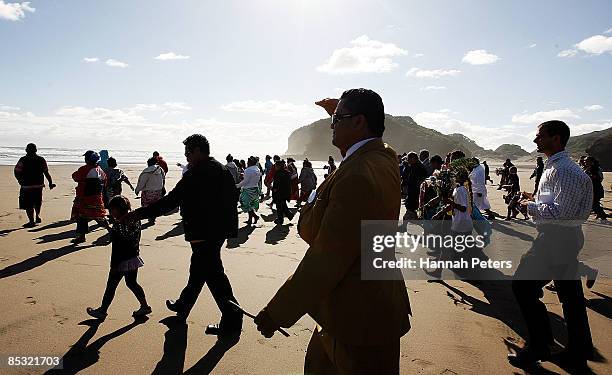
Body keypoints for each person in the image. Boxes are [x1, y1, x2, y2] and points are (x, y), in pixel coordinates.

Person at [254, 89, 411, 374]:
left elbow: (327, 259)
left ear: (359, 122)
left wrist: (278, 312)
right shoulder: (384, 156)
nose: (331, 125)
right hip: (355, 307)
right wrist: (340, 114)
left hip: (357, 317)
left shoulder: (358, 175)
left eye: (338, 119)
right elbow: (365, 146)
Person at [126, 134, 242, 337]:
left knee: (215, 278)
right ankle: (183, 307)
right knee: (199, 272)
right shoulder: (221, 170)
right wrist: (228, 232)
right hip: (215, 233)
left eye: (188, 151)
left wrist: (139, 214)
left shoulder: (197, 174)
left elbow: (171, 201)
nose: (186, 155)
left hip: (202, 234)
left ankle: (233, 320)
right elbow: (231, 201)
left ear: (198, 150)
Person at [510, 120, 594, 370]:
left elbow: (562, 213)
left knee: (523, 287)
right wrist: (535, 199)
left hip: (556, 237)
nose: (536, 140)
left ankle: (539, 344)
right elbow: (555, 203)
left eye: (540, 136)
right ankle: (578, 351)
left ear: (556, 139)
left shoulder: (564, 170)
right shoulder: (555, 167)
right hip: (564, 237)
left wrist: (529, 206)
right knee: (570, 296)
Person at [86, 195, 151, 320]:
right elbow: (128, 237)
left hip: (121, 259)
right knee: (132, 283)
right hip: (133, 257)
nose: (111, 212)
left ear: (117, 209)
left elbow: (118, 240)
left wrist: (107, 228)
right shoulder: (134, 219)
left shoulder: (120, 223)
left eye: (112, 210)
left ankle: (102, 310)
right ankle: (144, 306)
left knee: (111, 285)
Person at [71, 151, 110, 244]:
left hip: (84, 197)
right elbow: (105, 181)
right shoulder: (100, 170)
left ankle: (81, 236)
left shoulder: (84, 169)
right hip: (97, 197)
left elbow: (75, 177)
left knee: (81, 216)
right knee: (99, 216)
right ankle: (110, 230)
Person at [13, 143, 56, 227]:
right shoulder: (41, 159)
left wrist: (19, 180)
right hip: (38, 185)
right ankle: (37, 216)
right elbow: (46, 172)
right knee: (37, 202)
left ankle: (31, 221)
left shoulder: (23, 159)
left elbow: (16, 171)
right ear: (36, 150)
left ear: (26, 150)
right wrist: (50, 182)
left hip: (26, 185)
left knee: (28, 204)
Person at [135, 158, 166, 225]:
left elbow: (142, 182)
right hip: (158, 191)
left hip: (148, 192)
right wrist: (163, 187)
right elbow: (163, 179)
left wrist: (137, 190)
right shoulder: (160, 169)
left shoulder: (147, 171)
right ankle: (153, 218)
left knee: (147, 206)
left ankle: (150, 217)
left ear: (148, 163)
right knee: (155, 205)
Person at [401, 152, 428, 220]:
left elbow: (419, 180)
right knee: (412, 211)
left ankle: (405, 224)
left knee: (411, 210)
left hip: (415, 192)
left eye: (408, 159)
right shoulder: (414, 166)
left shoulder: (418, 167)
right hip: (413, 192)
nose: (407, 160)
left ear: (413, 158)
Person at [236, 156, 262, 226]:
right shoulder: (257, 169)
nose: (247, 163)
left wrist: (237, 185)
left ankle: (255, 217)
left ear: (250, 162)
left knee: (245, 204)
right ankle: (250, 220)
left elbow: (245, 181)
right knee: (251, 205)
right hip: (255, 189)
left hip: (248, 190)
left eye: (248, 162)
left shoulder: (248, 170)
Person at [584, 156, 607, 221]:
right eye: (585, 161)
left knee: (594, 203)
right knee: (594, 203)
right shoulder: (588, 169)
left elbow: (599, 179)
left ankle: (602, 216)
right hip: (592, 190)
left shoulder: (595, 169)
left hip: (596, 190)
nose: (585, 162)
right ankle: (600, 214)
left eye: (587, 161)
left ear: (591, 162)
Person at [272, 159, 293, 225]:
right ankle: (287, 216)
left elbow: (276, 184)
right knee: (283, 205)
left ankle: (281, 219)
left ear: (279, 166)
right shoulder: (287, 172)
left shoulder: (278, 173)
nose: (275, 167)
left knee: (279, 207)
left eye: (276, 166)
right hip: (286, 192)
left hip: (279, 193)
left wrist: (274, 189)